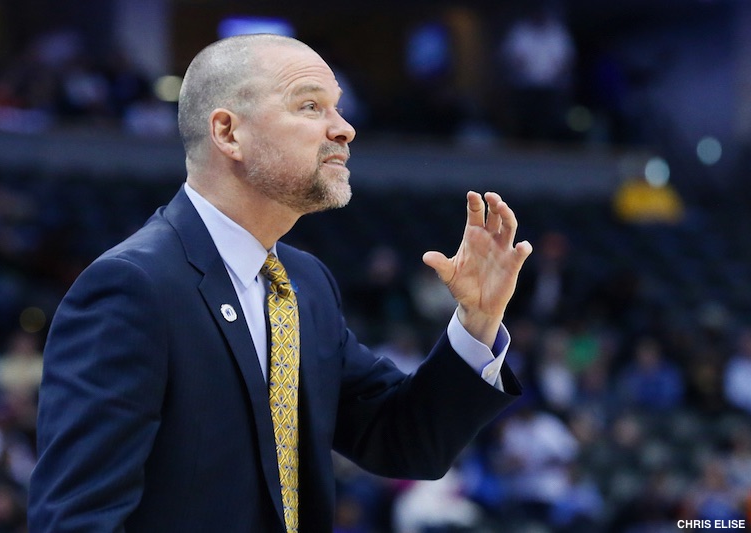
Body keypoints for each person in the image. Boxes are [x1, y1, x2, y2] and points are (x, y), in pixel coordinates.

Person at [27, 34, 532, 533]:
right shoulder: (133, 287)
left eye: (338, 108)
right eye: (310, 106)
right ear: (228, 132)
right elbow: (77, 518)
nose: (344, 129)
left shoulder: (306, 283)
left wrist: (478, 320)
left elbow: (403, 440)